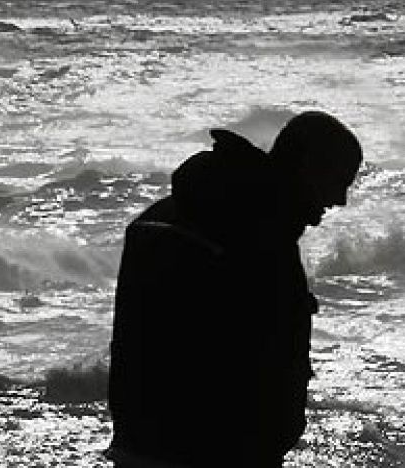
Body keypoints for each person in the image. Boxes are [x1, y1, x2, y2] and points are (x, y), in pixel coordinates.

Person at [106, 111, 362, 468]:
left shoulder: (167, 215)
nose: (340, 199)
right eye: (338, 180)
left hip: (138, 443)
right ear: (306, 164)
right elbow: (249, 365)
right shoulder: (258, 234)